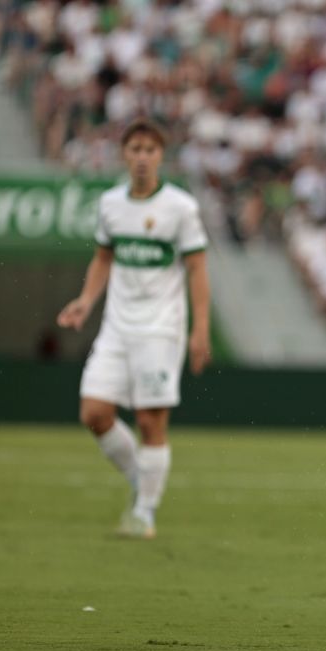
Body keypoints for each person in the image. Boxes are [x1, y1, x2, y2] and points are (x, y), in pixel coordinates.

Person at [57, 117, 211, 539]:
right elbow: (103, 258)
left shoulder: (181, 208)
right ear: (123, 154)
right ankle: (141, 481)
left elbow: (197, 269)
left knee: (149, 421)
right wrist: (86, 301)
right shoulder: (111, 204)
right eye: (135, 149)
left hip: (161, 327)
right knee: (94, 412)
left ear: (161, 156)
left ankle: (144, 511)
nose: (142, 158)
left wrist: (201, 330)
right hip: (117, 326)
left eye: (150, 150)